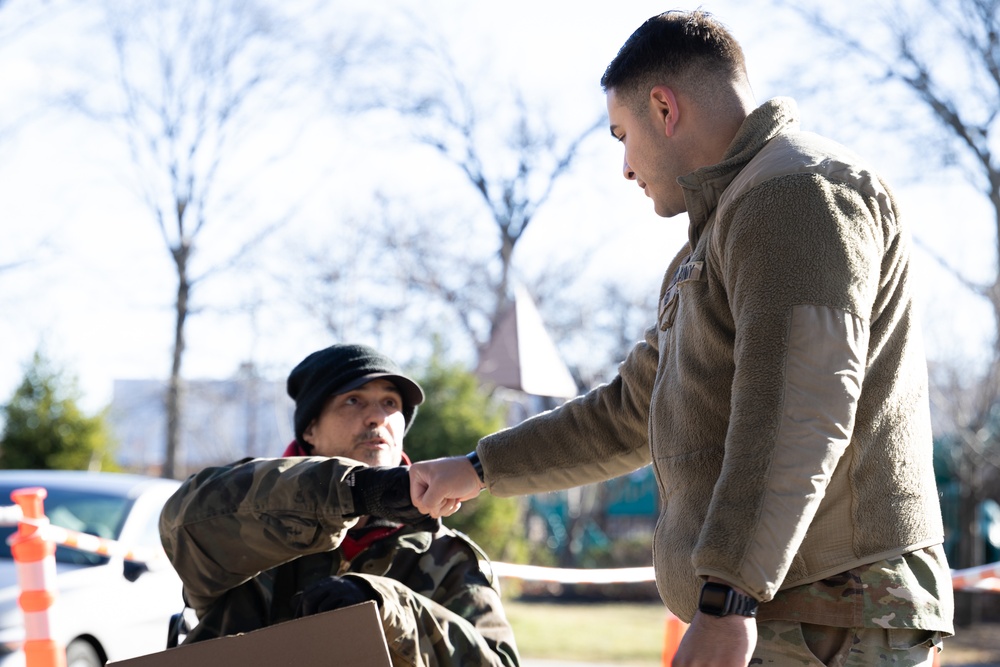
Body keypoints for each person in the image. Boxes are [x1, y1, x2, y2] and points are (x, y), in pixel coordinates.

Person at [410, 10, 954, 667]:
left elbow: (798, 409)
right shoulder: (714, 237)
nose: (625, 167)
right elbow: (628, 411)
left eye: (622, 135)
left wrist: (729, 598)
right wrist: (478, 468)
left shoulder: (795, 192)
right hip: (779, 611)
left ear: (664, 108)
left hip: (827, 616)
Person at [159, 343, 520, 667]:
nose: (377, 416)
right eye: (353, 400)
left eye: (390, 403)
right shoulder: (249, 508)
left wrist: (385, 606)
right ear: (310, 429)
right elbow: (182, 521)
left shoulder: (445, 554)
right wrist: (359, 490)